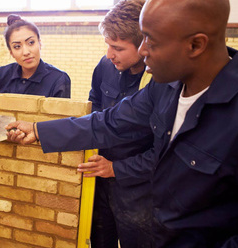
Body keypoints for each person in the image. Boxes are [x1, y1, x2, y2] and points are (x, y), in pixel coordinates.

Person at [7, 0, 238, 247]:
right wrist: (39, 129)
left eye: (152, 42)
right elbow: (109, 122)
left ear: (195, 45)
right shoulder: (166, 87)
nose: (143, 50)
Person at [86, 0, 154, 247]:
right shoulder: (105, 66)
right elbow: (93, 105)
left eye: (117, 47)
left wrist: (117, 168)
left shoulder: (159, 79)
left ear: (144, 44)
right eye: (107, 45)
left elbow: (164, 151)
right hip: (100, 181)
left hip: (139, 191)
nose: (109, 54)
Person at [0, 14, 71, 98]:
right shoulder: (3, 74)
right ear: (11, 52)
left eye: (31, 43)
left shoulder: (59, 79)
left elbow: (60, 123)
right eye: (17, 47)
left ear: (40, 43)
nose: (25, 52)